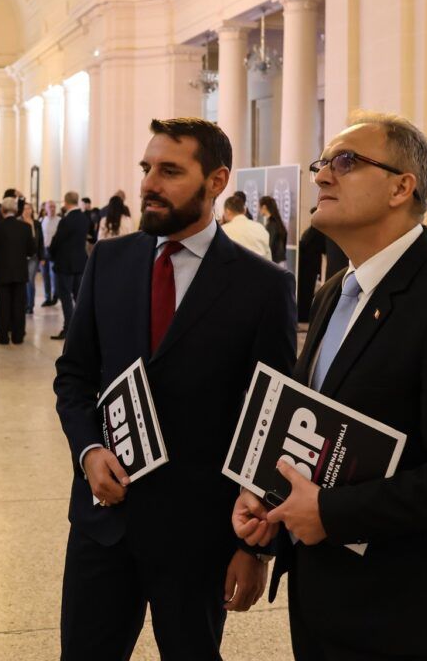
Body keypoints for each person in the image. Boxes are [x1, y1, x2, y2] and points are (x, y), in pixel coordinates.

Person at [234, 110, 427, 661]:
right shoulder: (334, 291)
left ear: (401, 187)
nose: (320, 176)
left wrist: (332, 514)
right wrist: (268, 495)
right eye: (321, 163)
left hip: (405, 608)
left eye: (345, 161)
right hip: (323, 594)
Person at [55, 117, 297, 660]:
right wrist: (88, 451)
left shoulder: (263, 288)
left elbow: (271, 419)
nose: (148, 184)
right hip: (103, 523)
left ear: (216, 181)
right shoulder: (110, 262)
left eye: (169, 171)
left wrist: (253, 546)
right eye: (146, 169)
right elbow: (73, 377)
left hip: (199, 536)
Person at [0, 196, 35, 344]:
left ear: (2, 210)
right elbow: (31, 250)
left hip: (2, 271)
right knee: (19, 305)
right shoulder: (25, 227)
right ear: (16, 210)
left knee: (2, 305)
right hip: (20, 271)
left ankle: (3, 336)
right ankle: (18, 336)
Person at [48, 191, 92, 340]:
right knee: (78, 297)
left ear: (66, 203)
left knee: (65, 297)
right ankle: (81, 329)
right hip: (80, 263)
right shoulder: (84, 218)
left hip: (65, 264)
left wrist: (51, 255)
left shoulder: (66, 220)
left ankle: (69, 329)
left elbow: (57, 241)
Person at [220, 193, 271, 259]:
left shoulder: (223, 232)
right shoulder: (261, 228)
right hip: (259, 268)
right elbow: (269, 260)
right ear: (244, 210)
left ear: (227, 211)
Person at [297, 214, 327, 323]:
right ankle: (303, 315)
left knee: (306, 292)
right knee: (306, 292)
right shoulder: (316, 231)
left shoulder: (312, 232)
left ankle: (303, 315)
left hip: (307, 267)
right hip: (309, 267)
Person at [22, 202, 45, 315]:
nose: (27, 211)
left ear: (32, 210)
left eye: (29, 208)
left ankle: (30, 305)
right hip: (21, 256)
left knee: (30, 280)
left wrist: (42, 256)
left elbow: (41, 241)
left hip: (34, 256)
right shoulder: (19, 222)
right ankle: (24, 304)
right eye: (25, 209)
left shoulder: (36, 223)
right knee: (23, 280)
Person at [40, 200, 61, 307]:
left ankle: (56, 295)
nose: (52, 209)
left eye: (54, 207)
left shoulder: (60, 221)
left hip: (55, 251)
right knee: (45, 275)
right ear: (45, 209)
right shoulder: (42, 220)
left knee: (54, 275)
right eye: (50, 207)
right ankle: (47, 297)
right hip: (44, 250)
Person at [258, 195, 288, 266]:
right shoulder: (277, 222)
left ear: (264, 207)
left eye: (259, 207)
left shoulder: (272, 225)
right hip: (280, 261)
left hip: (274, 262)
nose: (258, 210)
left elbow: (269, 245)